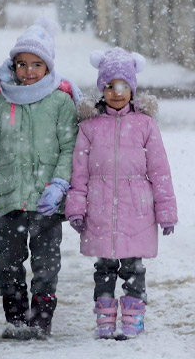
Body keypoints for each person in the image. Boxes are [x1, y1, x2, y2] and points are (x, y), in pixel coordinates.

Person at [0, 17, 80, 340]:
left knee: (46, 262)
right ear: (13, 65)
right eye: (22, 64)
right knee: (8, 260)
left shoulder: (60, 102)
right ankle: (16, 316)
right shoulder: (3, 101)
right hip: (10, 197)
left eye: (36, 64)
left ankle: (41, 318)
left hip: (46, 202)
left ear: (47, 67)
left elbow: (69, 148)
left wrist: (60, 184)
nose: (29, 71)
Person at [65, 48, 177, 340]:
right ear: (102, 88)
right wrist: (76, 207)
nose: (117, 92)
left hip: (136, 210)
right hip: (100, 208)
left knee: (133, 268)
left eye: (123, 86)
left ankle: (133, 318)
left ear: (132, 89)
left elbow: (160, 171)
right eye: (110, 86)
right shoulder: (89, 127)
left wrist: (166, 212)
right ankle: (104, 319)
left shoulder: (145, 125)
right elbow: (79, 173)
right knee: (103, 267)